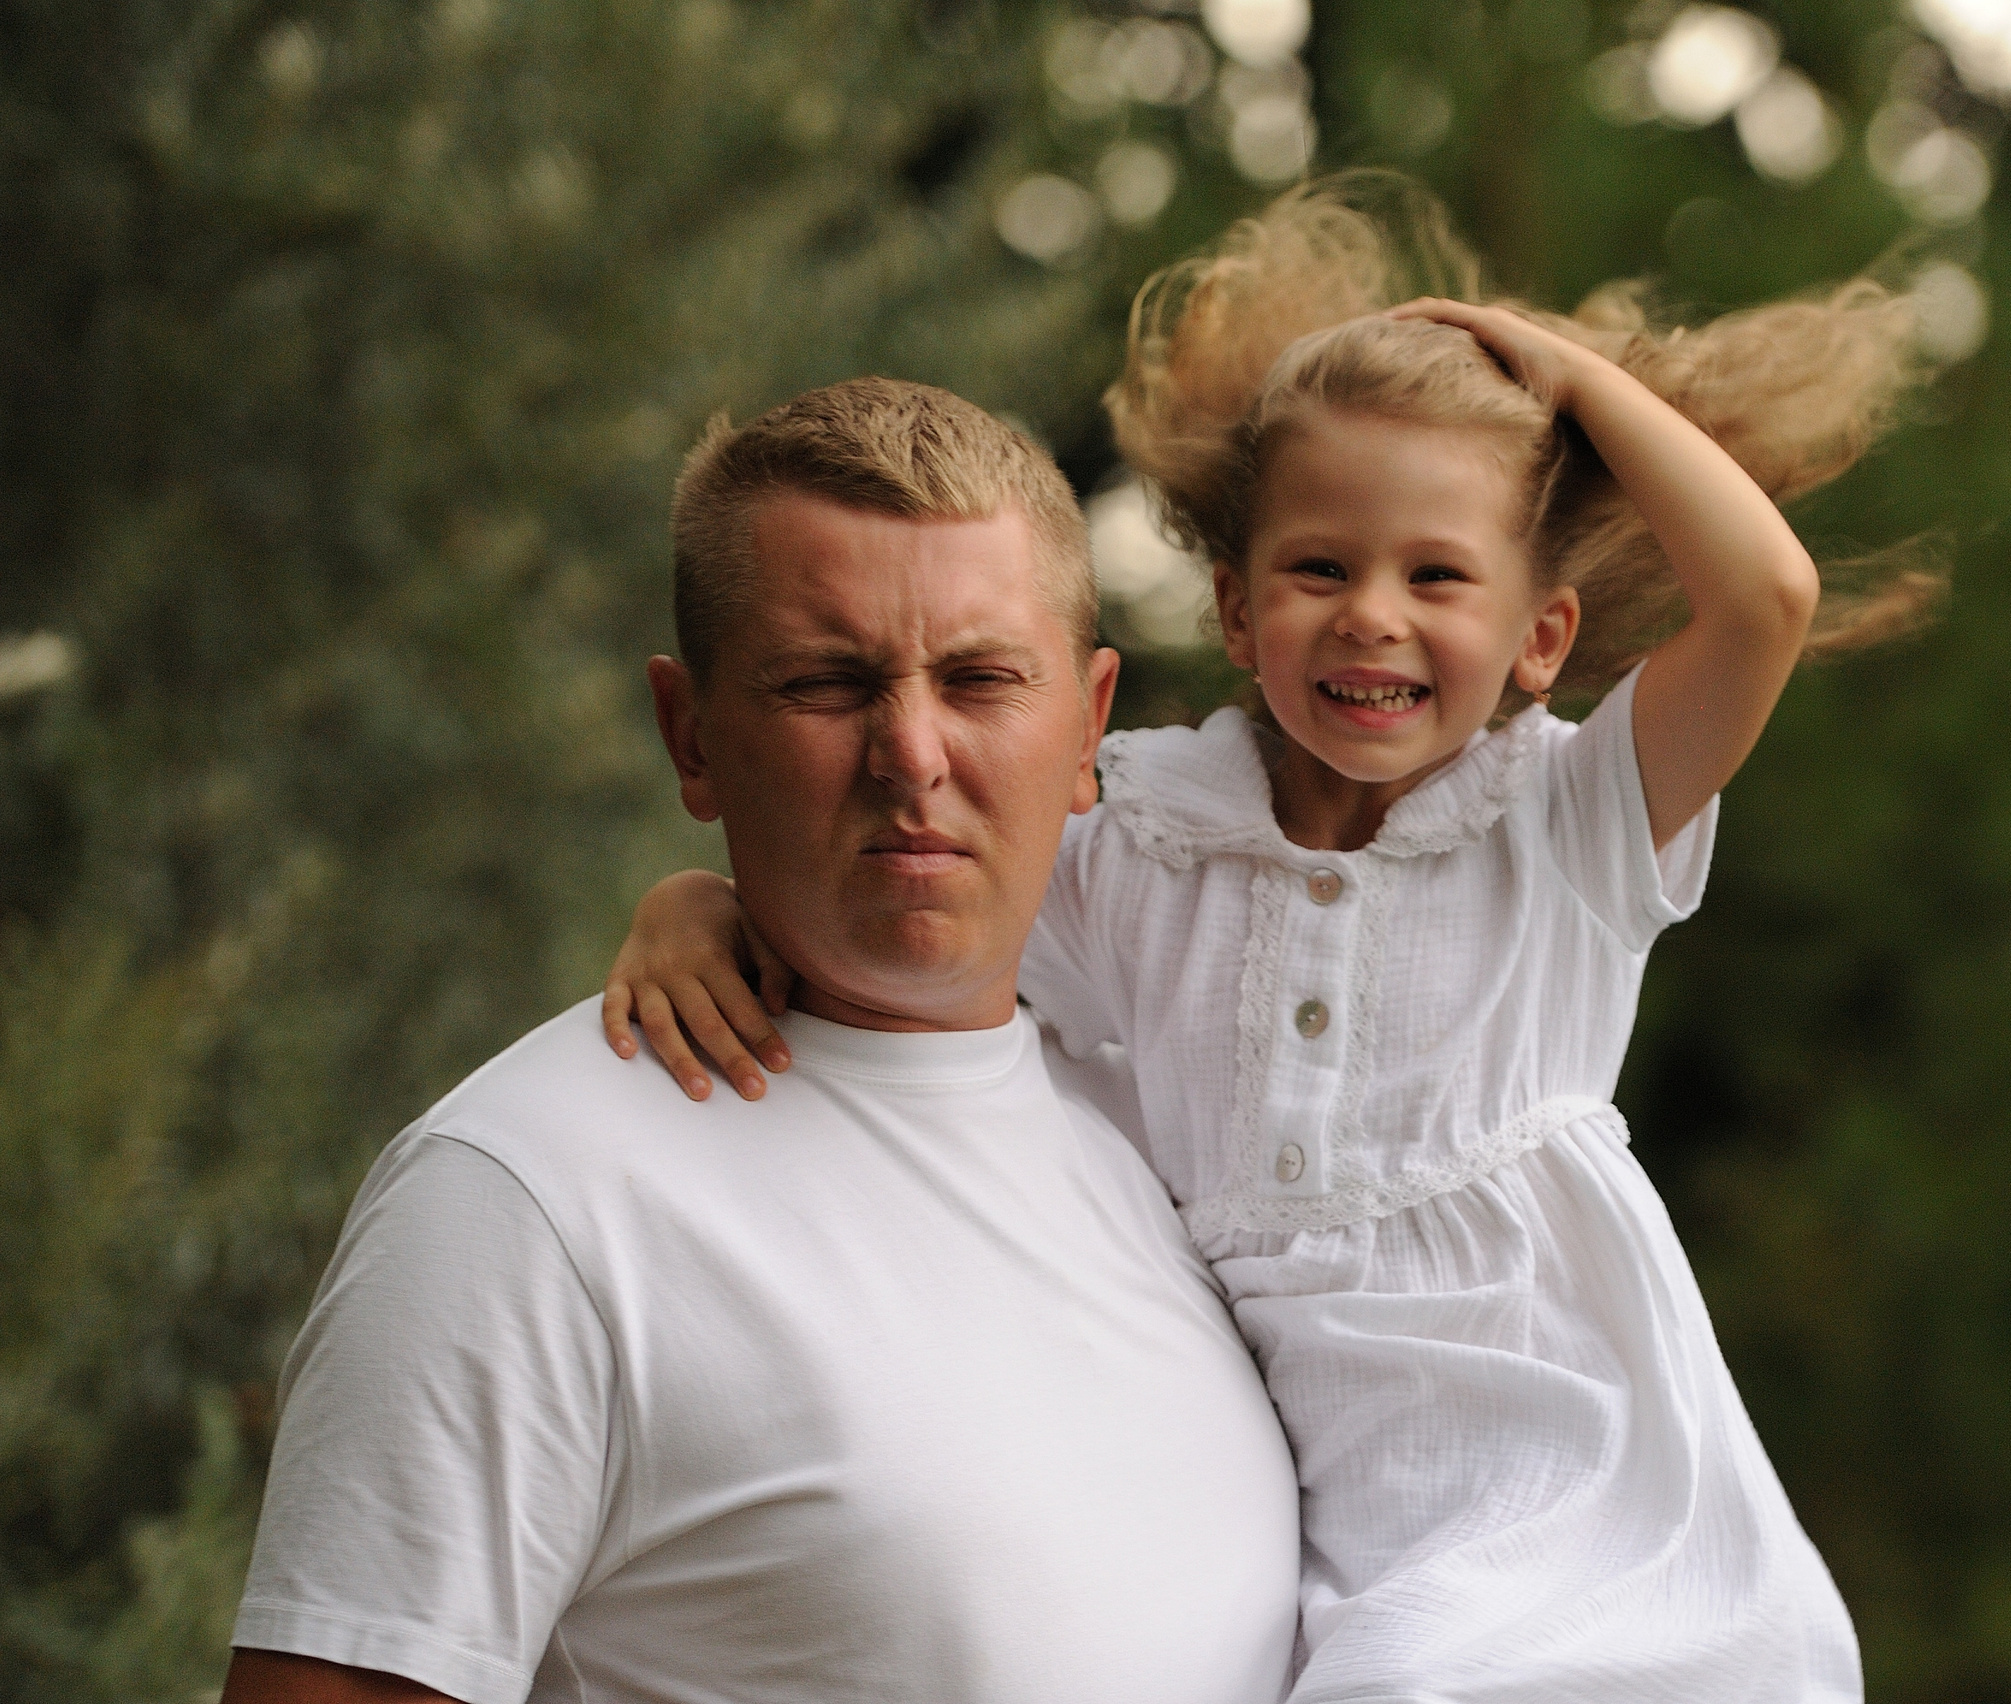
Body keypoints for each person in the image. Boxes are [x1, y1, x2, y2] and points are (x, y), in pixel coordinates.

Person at [607, 173, 1939, 1702]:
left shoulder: (1570, 825)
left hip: (1587, 1508)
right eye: (1321, 570)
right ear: (1236, 613)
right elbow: (916, 893)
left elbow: (1766, 593)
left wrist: (1572, 382)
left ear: (1541, 638)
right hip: (1344, 1537)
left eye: (1437, 577)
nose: (1373, 615)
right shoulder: (1143, 844)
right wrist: (697, 897)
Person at [220, 378, 1304, 1704]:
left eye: (980, 680)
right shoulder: (529, 1199)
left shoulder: (1176, 1137)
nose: (913, 753)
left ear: (1088, 726)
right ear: (691, 734)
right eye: (826, 684)